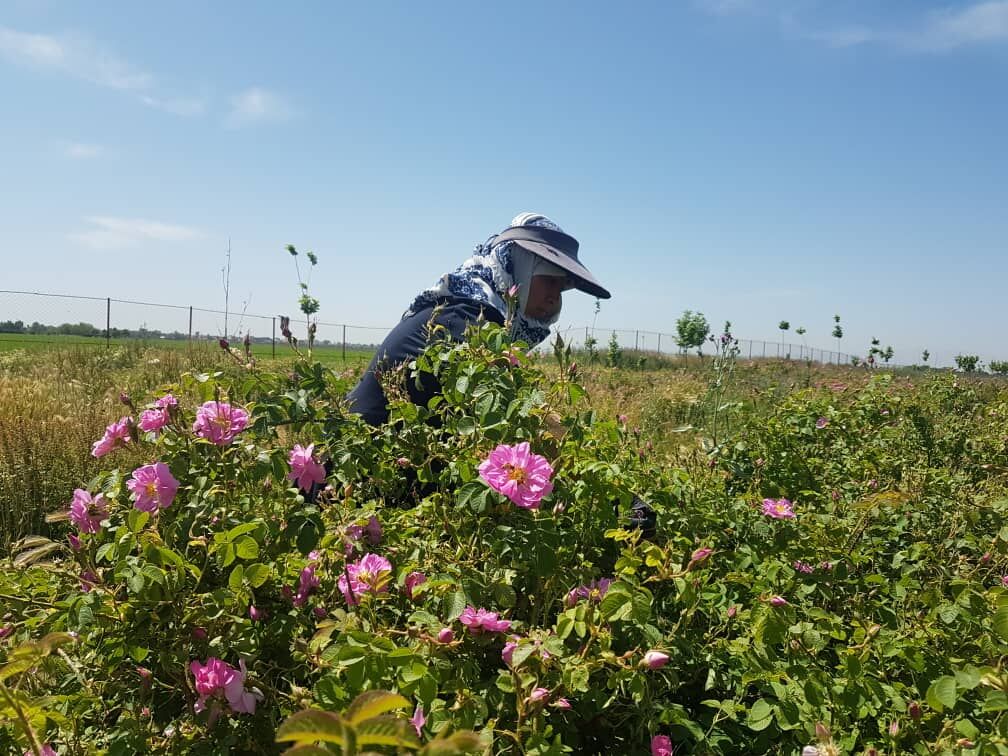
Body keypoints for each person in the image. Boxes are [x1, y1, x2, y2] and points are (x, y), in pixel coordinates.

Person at [346, 212, 610, 426]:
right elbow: (517, 409)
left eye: (562, 288)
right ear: (519, 268)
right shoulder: (469, 317)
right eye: (549, 281)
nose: (555, 297)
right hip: (353, 468)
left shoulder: (479, 311)